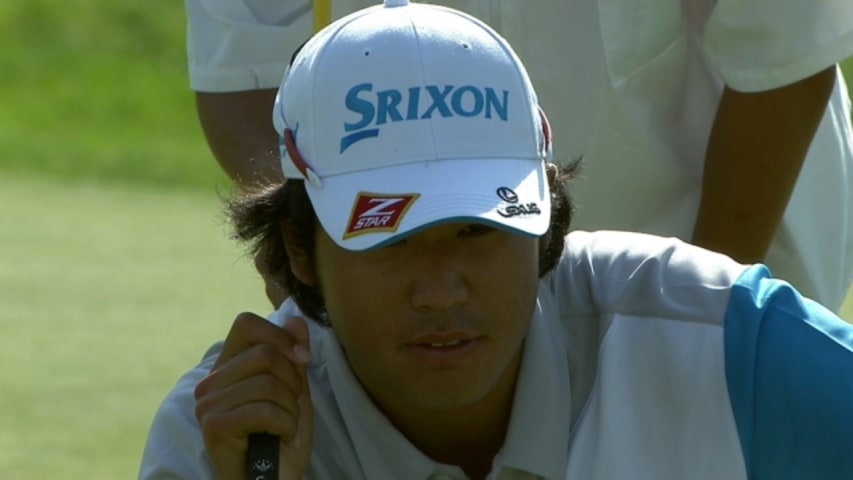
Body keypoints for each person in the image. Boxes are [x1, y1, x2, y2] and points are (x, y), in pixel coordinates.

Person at [141, 2, 853, 478]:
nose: (440, 289)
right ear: (297, 251)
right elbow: (239, 75)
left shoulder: (735, 345)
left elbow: (783, 52)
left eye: (478, 227)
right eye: (387, 235)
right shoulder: (219, 442)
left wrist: (693, 363)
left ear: (547, 224)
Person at [183, 0, 853, 312]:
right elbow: (245, 74)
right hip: (405, 302)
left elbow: (779, 57)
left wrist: (701, 311)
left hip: (728, 240)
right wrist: (309, 269)